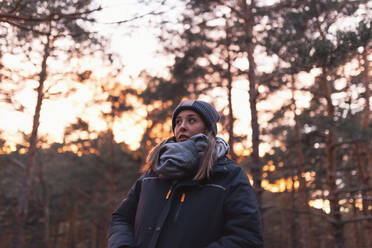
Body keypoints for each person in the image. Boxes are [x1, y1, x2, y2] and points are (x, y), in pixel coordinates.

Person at [108, 99, 263, 248]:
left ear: (208, 129)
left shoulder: (228, 175)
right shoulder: (153, 172)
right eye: (178, 122)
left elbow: (247, 237)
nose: (182, 126)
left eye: (191, 120)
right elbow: (121, 219)